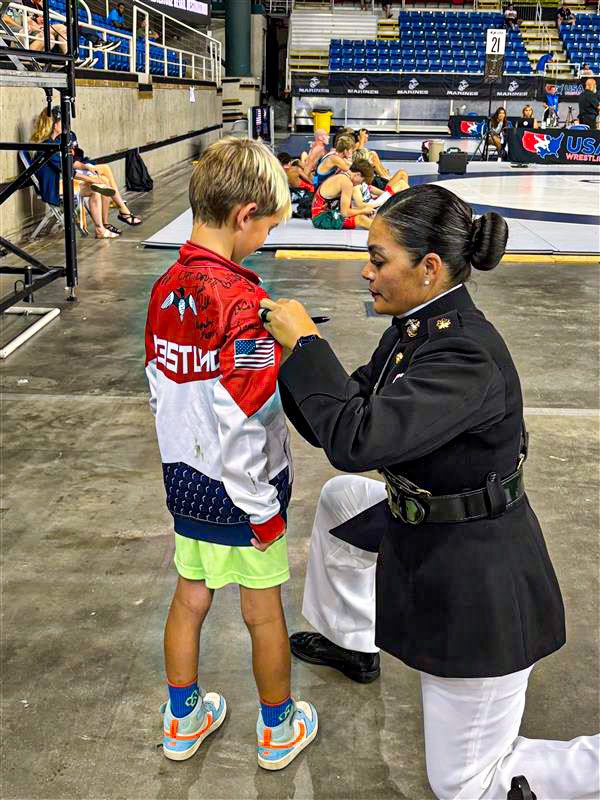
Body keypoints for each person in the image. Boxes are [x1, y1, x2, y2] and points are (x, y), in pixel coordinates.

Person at [258, 183, 600, 800]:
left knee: (464, 783)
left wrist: (307, 344)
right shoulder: (417, 328)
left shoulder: (465, 356)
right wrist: (286, 358)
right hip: (431, 517)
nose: (367, 272)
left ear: (430, 267)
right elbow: (342, 414)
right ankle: (352, 644)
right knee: (340, 504)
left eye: (379, 258)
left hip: (480, 579)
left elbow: (356, 439)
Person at [144, 137, 318, 770]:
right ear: (245, 214)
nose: (265, 241)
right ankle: (278, 728)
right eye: (268, 227)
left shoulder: (164, 288)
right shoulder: (245, 306)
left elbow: (161, 388)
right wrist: (260, 507)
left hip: (186, 484)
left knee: (189, 598)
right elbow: (245, 414)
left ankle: (182, 720)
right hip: (243, 495)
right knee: (263, 613)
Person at [30, 108, 119, 239]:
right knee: (96, 188)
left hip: (62, 181)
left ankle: (101, 227)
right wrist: (92, 180)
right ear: (55, 125)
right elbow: (67, 170)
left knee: (100, 184)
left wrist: (88, 170)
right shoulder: (48, 146)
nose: (67, 126)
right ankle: (101, 229)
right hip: (53, 188)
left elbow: (70, 165)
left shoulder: (57, 143)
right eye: (63, 122)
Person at [67, 122, 142, 227]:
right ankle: (120, 211)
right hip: (72, 172)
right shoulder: (55, 141)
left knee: (105, 174)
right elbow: (69, 164)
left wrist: (87, 166)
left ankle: (117, 210)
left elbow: (76, 158)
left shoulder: (71, 134)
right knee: (104, 179)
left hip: (80, 165)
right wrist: (91, 177)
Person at [311, 159, 376, 231]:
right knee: (361, 219)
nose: (361, 184)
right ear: (358, 174)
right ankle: (386, 231)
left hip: (321, 214)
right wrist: (363, 210)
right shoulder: (347, 183)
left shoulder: (343, 175)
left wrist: (363, 211)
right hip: (321, 218)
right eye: (363, 181)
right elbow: (345, 213)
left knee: (362, 215)